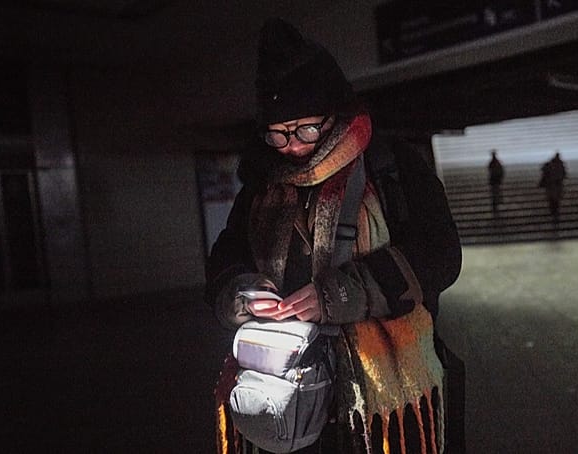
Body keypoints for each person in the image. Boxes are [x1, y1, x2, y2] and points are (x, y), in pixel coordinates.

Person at [204, 19, 462, 454]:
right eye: (278, 134)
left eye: (307, 128)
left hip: (380, 403)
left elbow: (441, 254)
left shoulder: (389, 166)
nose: (293, 146)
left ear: (335, 114)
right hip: (283, 393)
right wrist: (243, 293)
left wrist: (343, 293)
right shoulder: (262, 184)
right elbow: (226, 254)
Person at [538, 151, 567, 230]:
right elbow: (564, 175)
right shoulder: (560, 165)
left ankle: (554, 213)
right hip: (556, 187)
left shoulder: (550, 164)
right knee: (555, 201)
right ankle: (555, 214)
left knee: (552, 200)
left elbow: (543, 171)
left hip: (551, 187)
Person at [487, 149, 504, 215]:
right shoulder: (497, 162)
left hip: (494, 181)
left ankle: (495, 205)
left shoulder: (492, 163)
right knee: (496, 193)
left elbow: (490, 170)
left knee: (495, 193)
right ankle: (496, 205)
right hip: (496, 181)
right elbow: (501, 171)